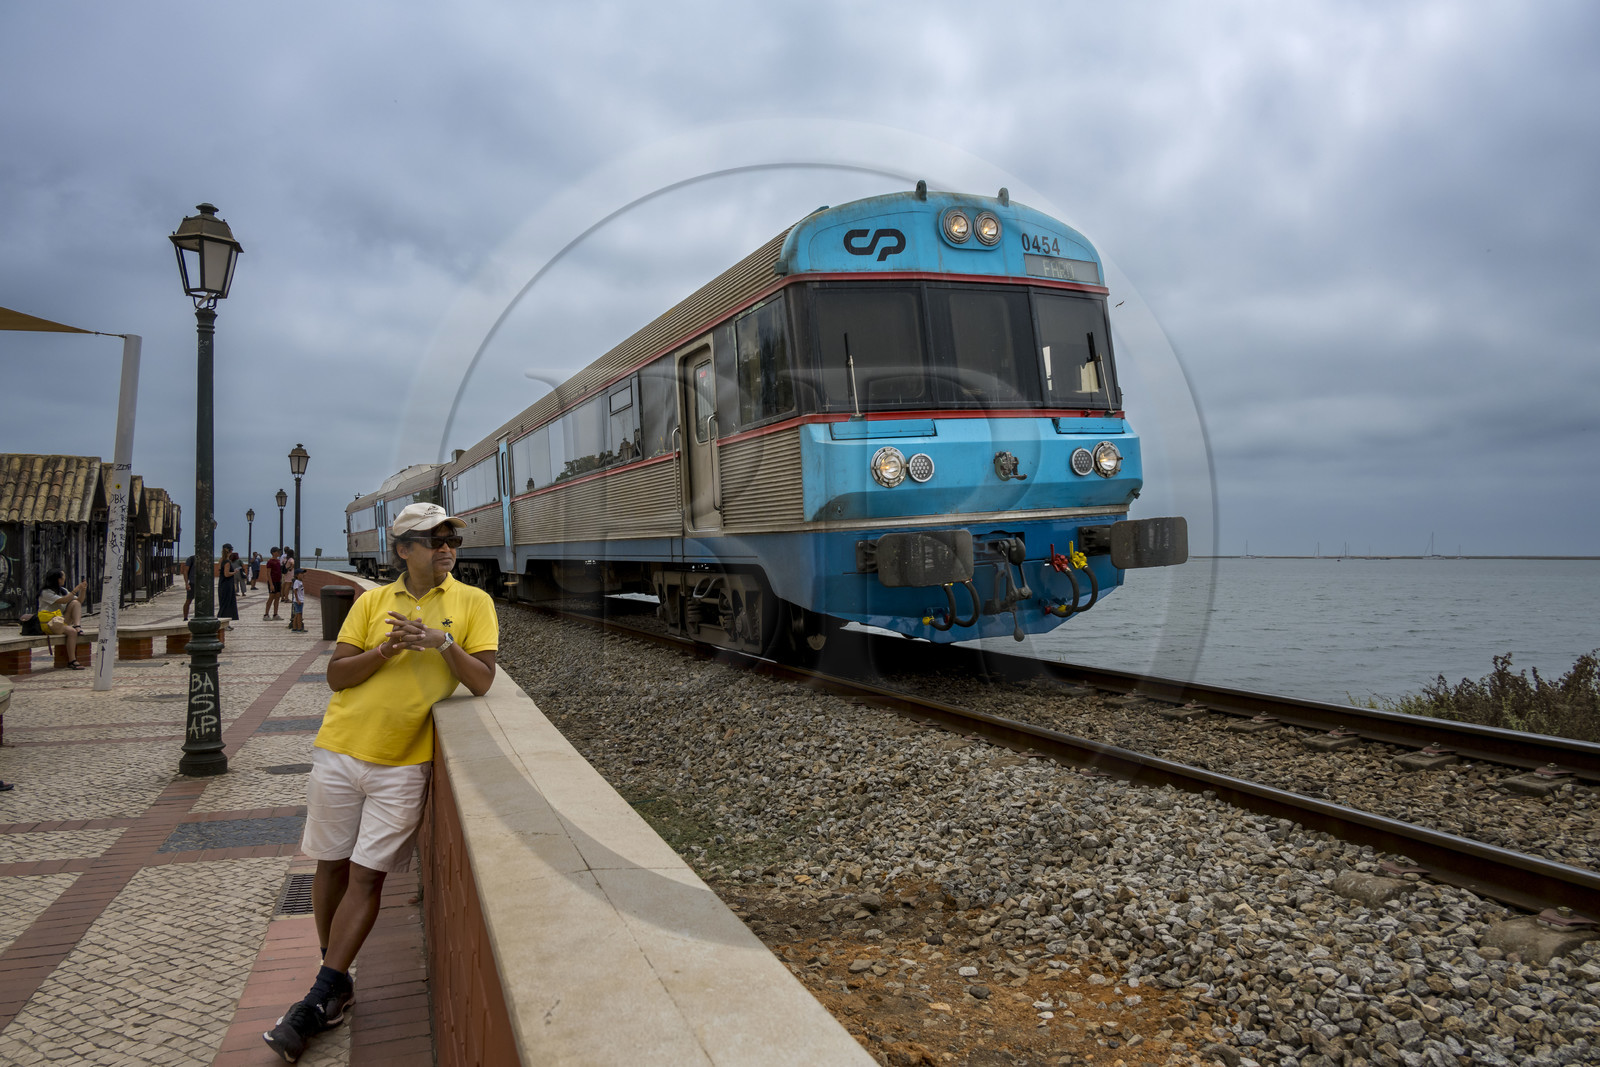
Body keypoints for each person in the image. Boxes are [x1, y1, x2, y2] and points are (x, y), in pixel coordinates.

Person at [263, 503, 496, 1062]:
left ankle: (320, 994)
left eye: (450, 540)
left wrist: (442, 644)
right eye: (431, 540)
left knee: (366, 878)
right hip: (341, 748)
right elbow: (336, 676)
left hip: (403, 761)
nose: (445, 548)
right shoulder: (371, 602)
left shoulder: (473, 603)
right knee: (330, 864)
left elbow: (483, 682)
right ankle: (334, 975)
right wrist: (385, 649)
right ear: (402, 550)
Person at [38, 569, 88, 670]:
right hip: (49, 623)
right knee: (72, 632)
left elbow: (79, 600)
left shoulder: (63, 590)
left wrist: (83, 589)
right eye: (63, 577)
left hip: (60, 621)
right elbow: (63, 600)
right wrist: (76, 589)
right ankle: (72, 660)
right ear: (58, 579)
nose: (64, 579)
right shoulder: (45, 592)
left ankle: (77, 625)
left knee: (76, 603)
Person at [218, 546, 240, 625]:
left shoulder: (221, 560)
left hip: (223, 584)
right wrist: (234, 572)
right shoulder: (227, 562)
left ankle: (224, 623)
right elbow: (226, 574)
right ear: (230, 552)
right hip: (227, 585)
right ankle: (222, 623)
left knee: (224, 604)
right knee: (226, 604)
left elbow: (220, 570)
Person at [264, 547, 284, 620]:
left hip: (278, 581)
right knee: (271, 597)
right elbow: (268, 573)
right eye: (277, 551)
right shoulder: (270, 562)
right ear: (273, 553)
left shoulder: (278, 561)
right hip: (273, 582)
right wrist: (271, 584)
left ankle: (275, 614)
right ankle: (266, 614)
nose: (278, 553)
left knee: (277, 597)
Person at [182, 552, 196, 621]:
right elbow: (185, 571)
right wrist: (186, 583)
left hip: (202, 584)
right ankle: (185, 617)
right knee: (188, 600)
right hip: (193, 583)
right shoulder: (191, 559)